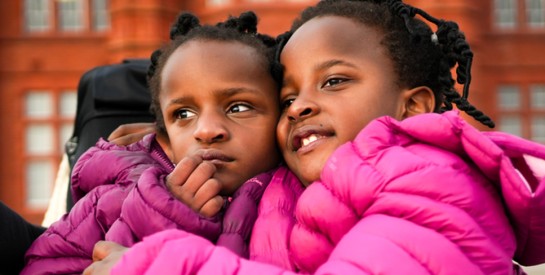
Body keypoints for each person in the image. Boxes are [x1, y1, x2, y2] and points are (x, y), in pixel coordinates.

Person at [85, 0, 545, 274]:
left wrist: (150, 266)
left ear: (414, 105)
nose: (300, 105)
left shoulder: (435, 179)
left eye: (334, 81)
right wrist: (170, 140)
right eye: (286, 98)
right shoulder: (300, 186)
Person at [22, 11, 284, 275]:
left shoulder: (300, 195)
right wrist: (161, 214)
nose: (206, 131)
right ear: (165, 137)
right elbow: (44, 267)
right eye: (183, 114)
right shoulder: (118, 197)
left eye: (238, 108)